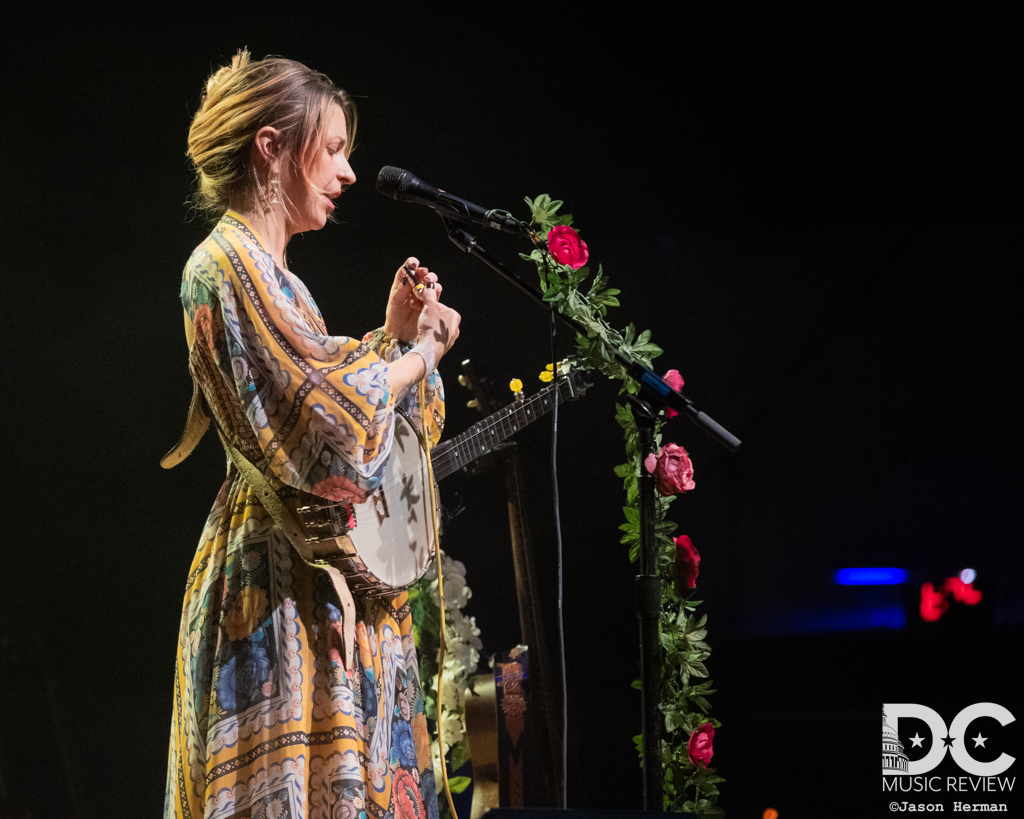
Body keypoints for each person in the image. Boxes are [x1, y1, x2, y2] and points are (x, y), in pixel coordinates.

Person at [162, 50, 460, 819]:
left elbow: (336, 397)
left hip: (308, 590)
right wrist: (416, 356)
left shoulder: (281, 280)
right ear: (270, 148)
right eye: (330, 150)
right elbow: (325, 430)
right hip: (267, 589)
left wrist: (392, 340)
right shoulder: (220, 264)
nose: (349, 172)